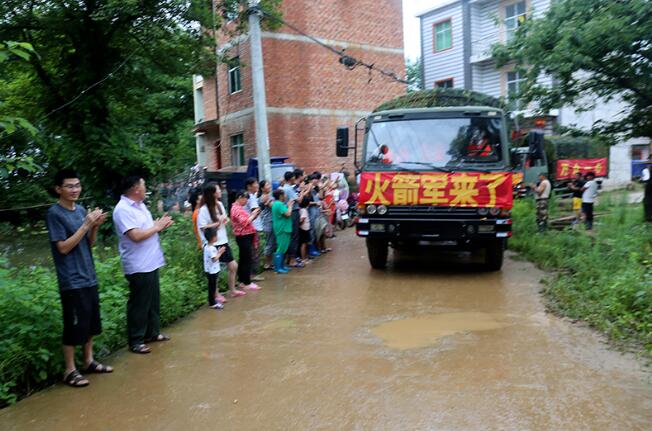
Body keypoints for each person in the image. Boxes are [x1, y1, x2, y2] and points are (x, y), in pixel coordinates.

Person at [46, 169, 112, 387]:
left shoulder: (81, 210)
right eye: (69, 186)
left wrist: (94, 227)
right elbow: (63, 248)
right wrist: (86, 224)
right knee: (73, 325)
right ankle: (69, 370)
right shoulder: (54, 214)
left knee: (90, 323)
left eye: (77, 185)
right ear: (58, 189)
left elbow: (90, 243)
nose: (75, 190)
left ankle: (88, 361)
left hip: (88, 275)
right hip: (71, 279)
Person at [112, 175, 174, 355]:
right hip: (138, 264)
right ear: (135, 189)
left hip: (151, 261)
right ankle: (136, 340)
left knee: (153, 300)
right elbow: (136, 236)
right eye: (144, 185)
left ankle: (152, 333)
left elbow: (147, 228)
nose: (145, 188)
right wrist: (157, 227)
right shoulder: (122, 209)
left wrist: (158, 224)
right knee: (139, 303)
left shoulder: (140, 206)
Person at [198, 182, 243, 298]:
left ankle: (232, 290)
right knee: (215, 270)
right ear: (212, 193)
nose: (219, 191)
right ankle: (216, 294)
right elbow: (202, 228)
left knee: (233, 266)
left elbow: (224, 218)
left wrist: (225, 220)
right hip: (213, 243)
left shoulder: (219, 204)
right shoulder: (203, 210)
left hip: (223, 240)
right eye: (217, 190)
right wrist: (218, 223)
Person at [230, 190, 262, 291]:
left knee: (244, 259)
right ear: (240, 197)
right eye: (245, 199)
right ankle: (247, 282)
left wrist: (253, 215)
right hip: (243, 236)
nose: (246, 202)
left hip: (244, 236)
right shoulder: (236, 208)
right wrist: (253, 214)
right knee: (246, 259)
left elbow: (247, 219)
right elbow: (245, 221)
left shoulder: (238, 208)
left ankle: (242, 281)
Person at [245, 177, 264, 281]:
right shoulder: (250, 197)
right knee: (254, 250)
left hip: (249, 227)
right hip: (252, 227)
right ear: (249, 186)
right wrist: (259, 209)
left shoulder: (250, 196)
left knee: (252, 250)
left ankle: (251, 273)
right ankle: (253, 274)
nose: (257, 185)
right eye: (255, 183)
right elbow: (255, 212)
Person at [272, 189, 295, 273]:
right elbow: (288, 213)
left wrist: (288, 205)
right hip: (282, 228)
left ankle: (281, 266)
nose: (286, 196)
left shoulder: (278, 204)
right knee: (281, 248)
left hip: (284, 227)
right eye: (284, 194)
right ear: (281, 196)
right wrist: (290, 206)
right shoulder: (278, 204)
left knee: (283, 247)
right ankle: (278, 268)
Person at [203, 227, 226, 310]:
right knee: (212, 286)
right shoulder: (211, 248)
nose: (217, 237)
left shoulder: (206, 246)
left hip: (208, 270)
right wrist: (220, 252)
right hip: (212, 270)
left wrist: (218, 252)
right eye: (216, 236)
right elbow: (214, 259)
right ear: (213, 238)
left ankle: (211, 300)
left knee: (211, 286)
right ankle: (212, 303)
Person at [257, 180, 275, 270]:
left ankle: (269, 263)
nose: (269, 185)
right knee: (269, 243)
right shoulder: (265, 197)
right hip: (268, 222)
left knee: (271, 243)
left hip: (270, 221)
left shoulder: (268, 196)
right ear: (262, 188)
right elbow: (274, 207)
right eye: (267, 184)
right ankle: (267, 264)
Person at [298, 197, 312, 262]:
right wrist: (300, 224)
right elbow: (302, 220)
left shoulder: (301, 209)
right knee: (304, 244)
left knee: (305, 243)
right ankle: (303, 258)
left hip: (304, 228)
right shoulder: (304, 210)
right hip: (304, 229)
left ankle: (305, 257)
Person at [642, 155, 652, 222]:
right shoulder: (647, 170)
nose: (648, 165)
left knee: (647, 201)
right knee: (647, 201)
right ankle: (648, 218)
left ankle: (648, 218)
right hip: (649, 190)